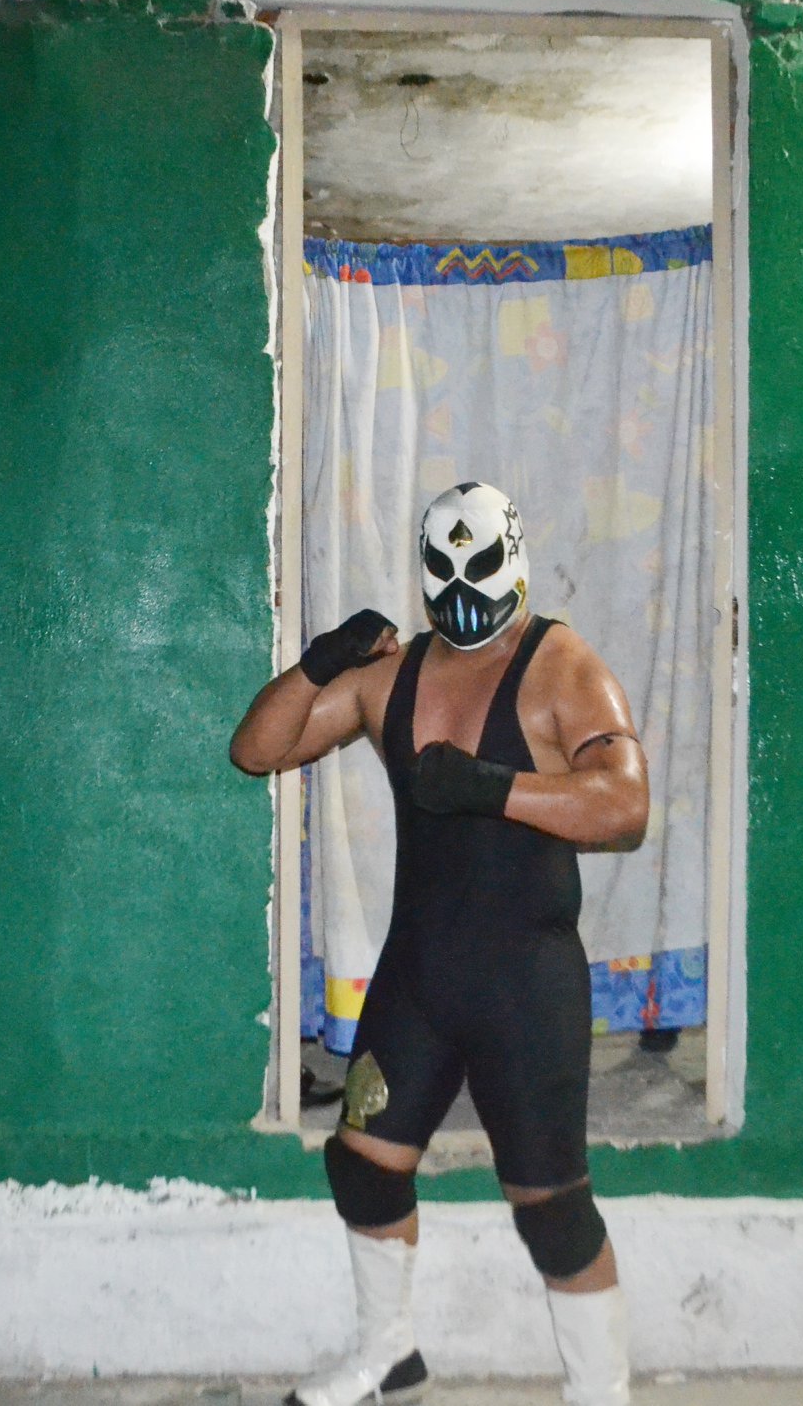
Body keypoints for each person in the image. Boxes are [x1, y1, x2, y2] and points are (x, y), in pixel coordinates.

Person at [230, 482, 649, 1406]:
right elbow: (256, 751)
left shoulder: (561, 665)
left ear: (515, 557)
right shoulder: (389, 676)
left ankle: (603, 1395)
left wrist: (494, 787)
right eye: (447, 572)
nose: (464, 590)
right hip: (419, 972)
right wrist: (317, 663)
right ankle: (389, 1356)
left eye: (480, 567)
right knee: (362, 1164)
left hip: (526, 979)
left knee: (552, 1207)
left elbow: (625, 807)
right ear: (424, 574)